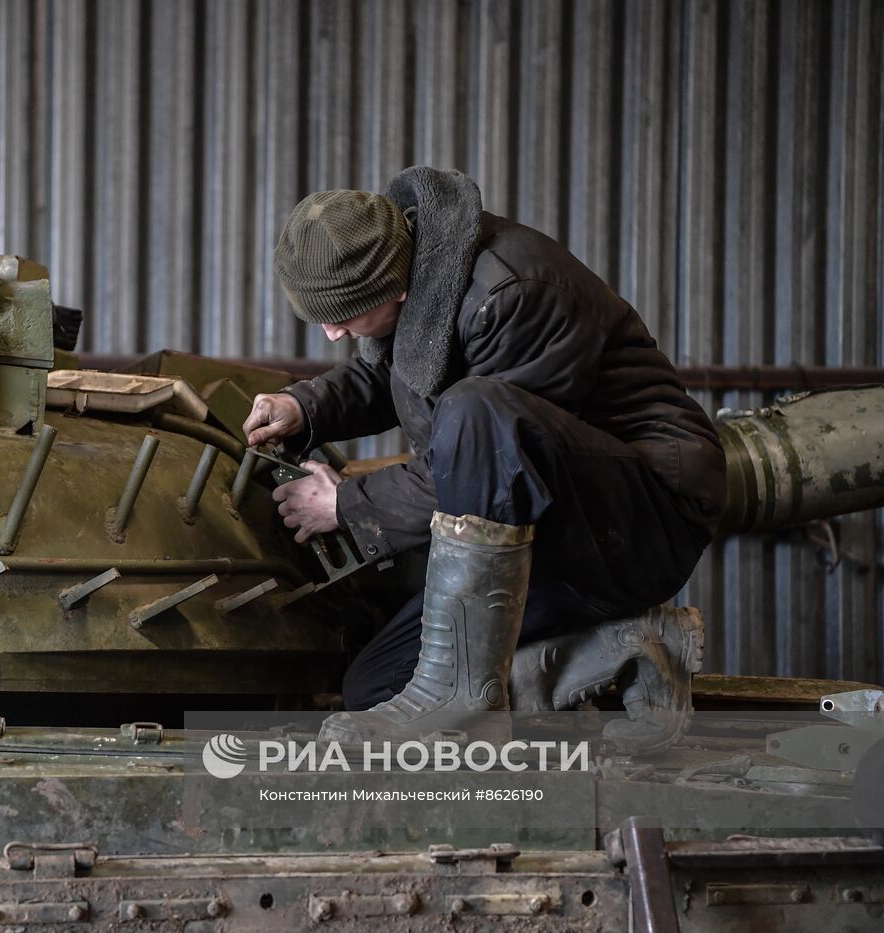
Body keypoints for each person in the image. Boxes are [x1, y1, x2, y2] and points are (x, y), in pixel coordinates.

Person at [243, 167, 727, 746]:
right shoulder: (417, 269)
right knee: (373, 691)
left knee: (476, 409)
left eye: (341, 317)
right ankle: (628, 648)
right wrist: (305, 406)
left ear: (394, 289)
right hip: (538, 528)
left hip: (639, 521)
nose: (331, 335)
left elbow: (488, 452)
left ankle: (459, 696)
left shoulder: (513, 293)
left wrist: (348, 504)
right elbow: (395, 375)